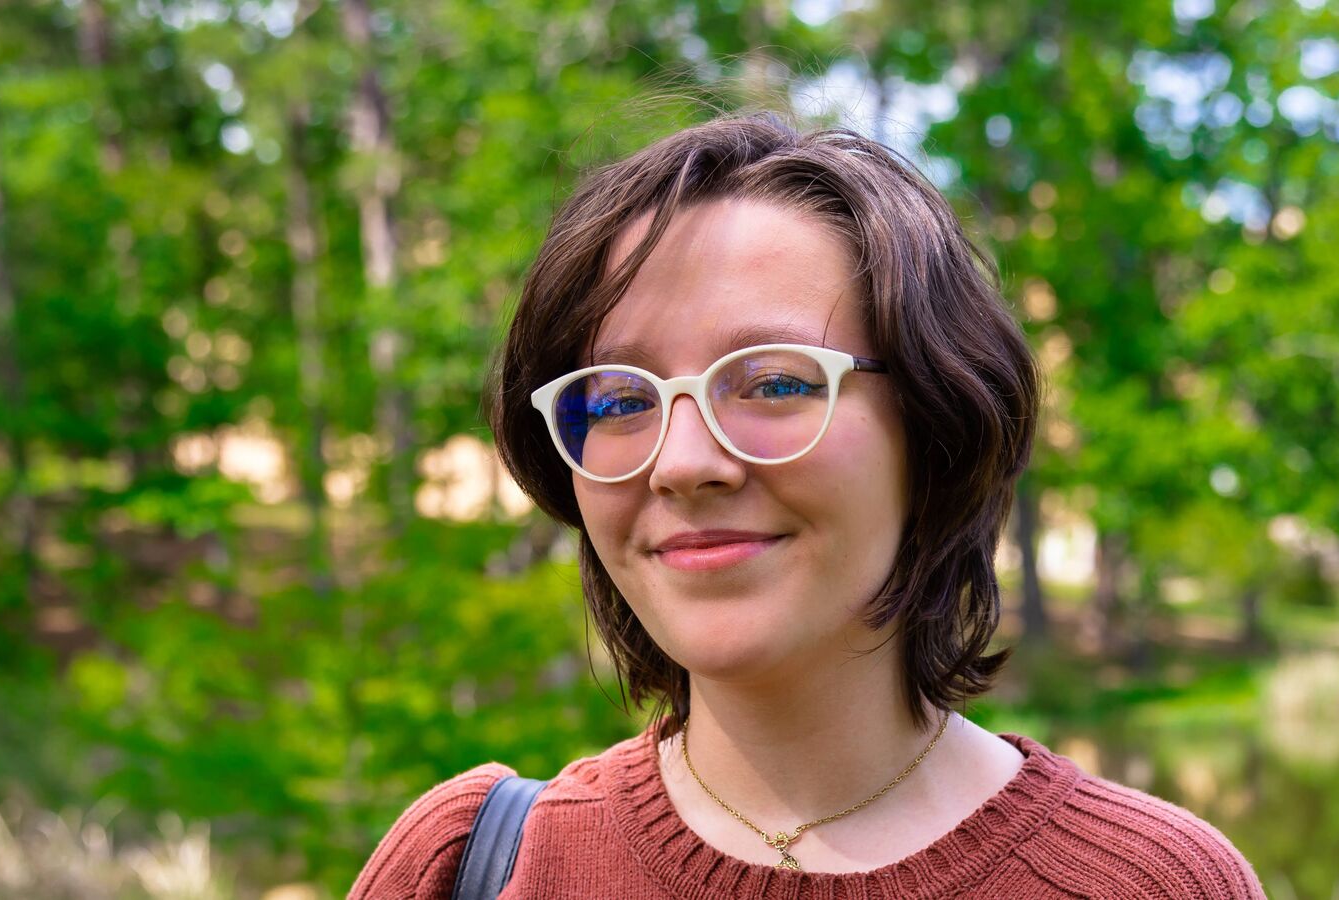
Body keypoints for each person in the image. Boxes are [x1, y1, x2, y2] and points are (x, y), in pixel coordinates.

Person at [351, 112, 1266, 899]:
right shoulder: (471, 865)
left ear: (933, 425)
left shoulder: (1150, 881)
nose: (684, 463)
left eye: (775, 383)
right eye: (623, 400)